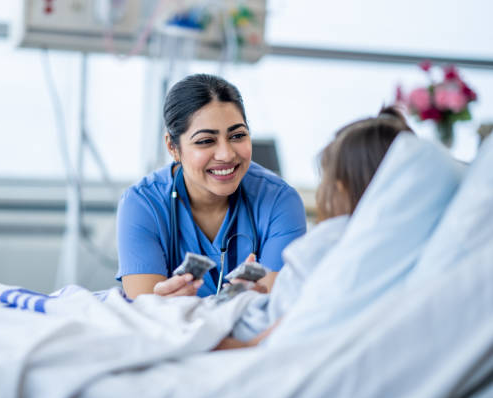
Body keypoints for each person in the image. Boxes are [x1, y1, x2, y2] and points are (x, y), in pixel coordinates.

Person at [215, 106, 414, 349]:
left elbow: (277, 327)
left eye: (324, 180)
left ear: (339, 188)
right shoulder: (401, 247)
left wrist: (239, 296)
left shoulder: (332, 239)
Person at [116, 74, 307, 299]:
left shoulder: (280, 201)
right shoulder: (143, 204)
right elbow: (145, 313)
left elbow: (276, 309)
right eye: (206, 141)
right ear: (172, 147)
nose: (226, 154)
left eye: (237, 135)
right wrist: (158, 305)